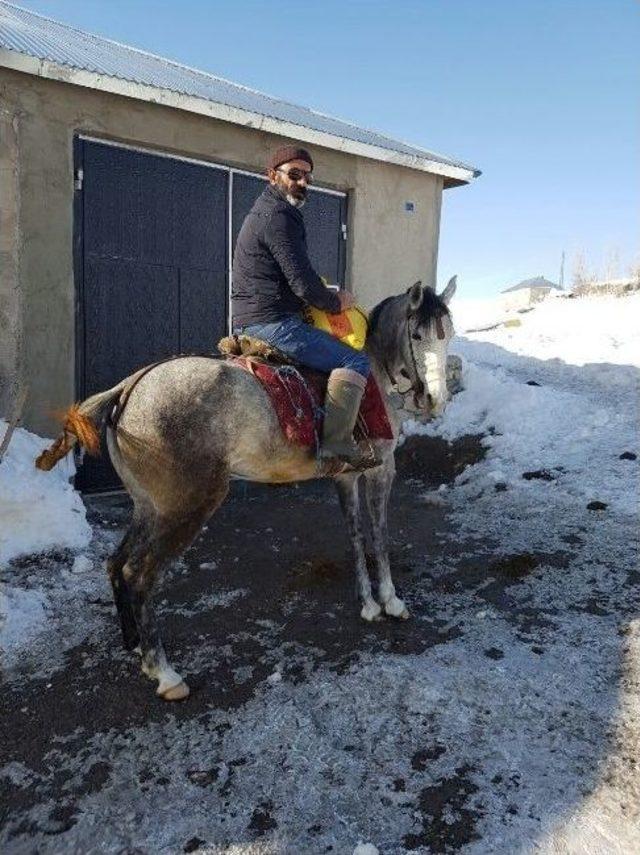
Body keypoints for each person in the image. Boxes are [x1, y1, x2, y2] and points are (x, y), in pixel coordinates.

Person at [232, 144, 375, 468]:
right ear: (272, 176)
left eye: (307, 176)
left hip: (250, 320)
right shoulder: (280, 216)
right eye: (294, 174)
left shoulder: (263, 212)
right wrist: (336, 301)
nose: (302, 182)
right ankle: (336, 448)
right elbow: (302, 282)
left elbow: (291, 275)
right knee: (354, 361)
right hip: (273, 323)